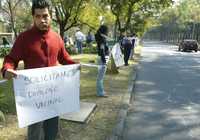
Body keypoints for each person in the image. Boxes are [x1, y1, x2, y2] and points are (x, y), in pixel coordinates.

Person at [1, 0, 77, 140]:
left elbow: (64, 58)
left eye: (45, 15)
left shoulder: (56, 37)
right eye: (38, 16)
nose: (42, 19)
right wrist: (7, 69)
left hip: (54, 95)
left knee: (52, 131)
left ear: (51, 16)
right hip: (34, 97)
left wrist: (75, 65)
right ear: (33, 17)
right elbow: (11, 59)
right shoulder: (24, 38)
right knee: (35, 133)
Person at [95, 25, 109, 97]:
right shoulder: (102, 39)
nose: (108, 32)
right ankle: (100, 93)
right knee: (100, 78)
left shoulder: (101, 38)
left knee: (100, 77)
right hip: (102, 59)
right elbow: (102, 50)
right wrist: (104, 61)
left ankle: (100, 91)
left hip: (102, 58)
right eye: (107, 30)